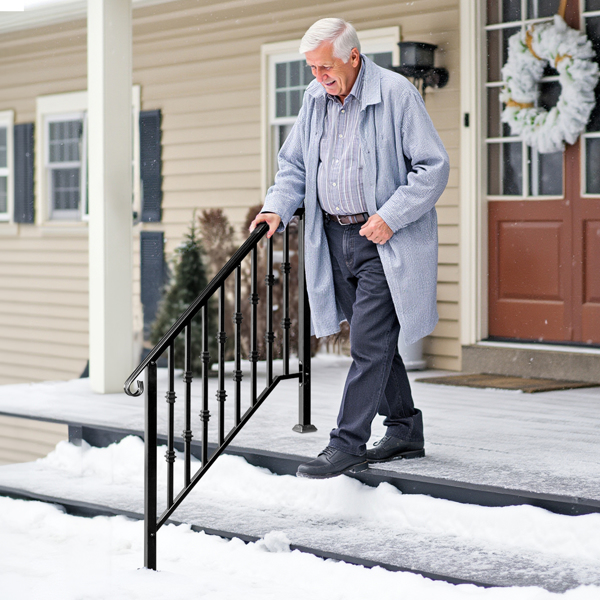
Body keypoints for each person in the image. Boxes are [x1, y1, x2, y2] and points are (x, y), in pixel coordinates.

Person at [250, 18, 449, 479]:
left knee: (367, 342)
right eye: (312, 68)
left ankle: (347, 443)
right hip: (335, 237)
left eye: (325, 67)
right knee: (374, 342)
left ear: (353, 57)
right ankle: (404, 428)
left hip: (385, 239)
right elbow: (294, 165)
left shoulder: (397, 94)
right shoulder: (315, 100)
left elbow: (432, 167)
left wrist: (390, 216)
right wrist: (276, 207)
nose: (317, 77)